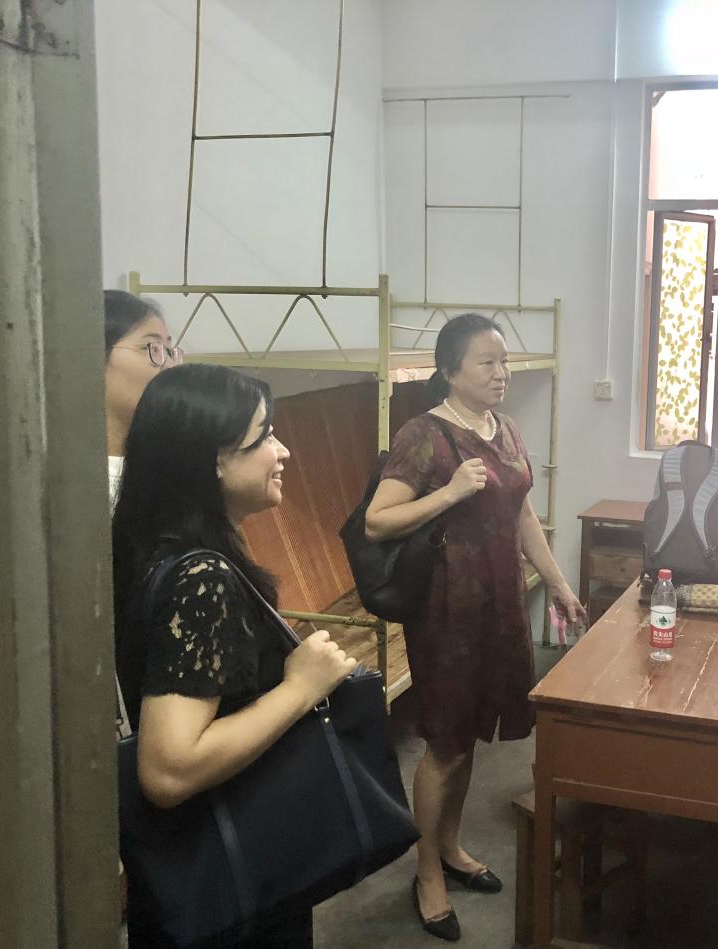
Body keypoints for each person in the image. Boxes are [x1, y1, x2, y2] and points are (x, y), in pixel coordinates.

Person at [113, 363, 356, 947]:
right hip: (227, 878)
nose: (283, 450)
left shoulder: (150, 545)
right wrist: (301, 687)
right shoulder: (201, 578)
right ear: (213, 462)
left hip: (196, 873)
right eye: (264, 436)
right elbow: (168, 770)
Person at [365, 313, 585, 942]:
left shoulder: (505, 429)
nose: (501, 373)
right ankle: (427, 871)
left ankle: (452, 845)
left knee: (470, 739)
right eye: (487, 362)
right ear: (450, 370)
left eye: (504, 361)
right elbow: (378, 521)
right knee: (444, 742)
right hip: (447, 613)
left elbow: (522, 517)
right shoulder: (424, 435)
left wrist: (559, 584)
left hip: (500, 607)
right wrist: (449, 492)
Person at [104, 289, 180, 508]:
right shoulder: (64, 476)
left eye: (169, 350)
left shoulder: (175, 461)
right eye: (152, 348)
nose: (169, 365)